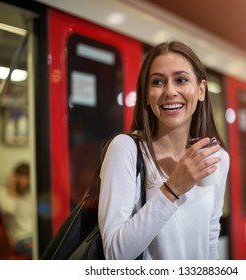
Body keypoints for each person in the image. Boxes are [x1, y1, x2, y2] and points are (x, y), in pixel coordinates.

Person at [98, 41, 230, 260]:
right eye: (158, 82)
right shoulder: (126, 150)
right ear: (147, 95)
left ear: (201, 90)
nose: (170, 91)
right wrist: (173, 189)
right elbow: (115, 254)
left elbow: (210, 237)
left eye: (181, 80)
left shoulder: (217, 158)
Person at [0, 162, 32, 257]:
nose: (24, 181)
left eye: (27, 177)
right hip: (20, 238)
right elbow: (9, 210)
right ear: (15, 177)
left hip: (34, 236)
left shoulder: (29, 195)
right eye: (21, 177)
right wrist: (12, 188)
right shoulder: (3, 194)